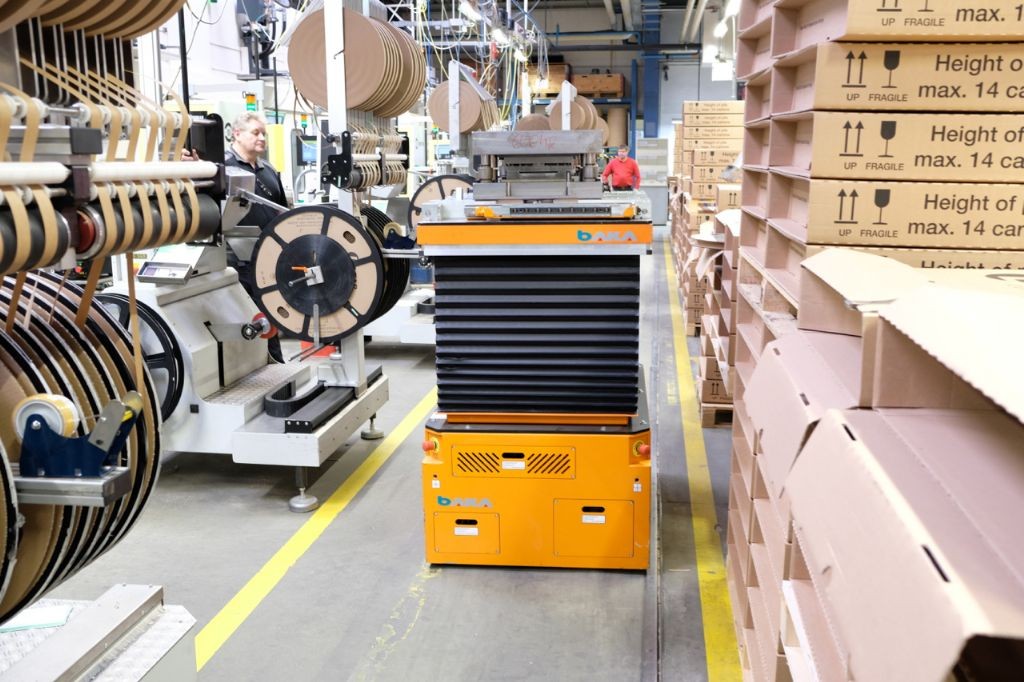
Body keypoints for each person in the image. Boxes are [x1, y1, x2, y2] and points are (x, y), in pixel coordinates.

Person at [183, 112, 287, 362]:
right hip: (234, 259)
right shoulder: (221, 168)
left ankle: (273, 364)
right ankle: (265, 364)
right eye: (255, 132)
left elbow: (282, 211)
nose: (262, 138)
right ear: (237, 134)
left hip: (268, 258)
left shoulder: (269, 170)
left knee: (269, 314)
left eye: (264, 133)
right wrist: (193, 168)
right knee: (249, 317)